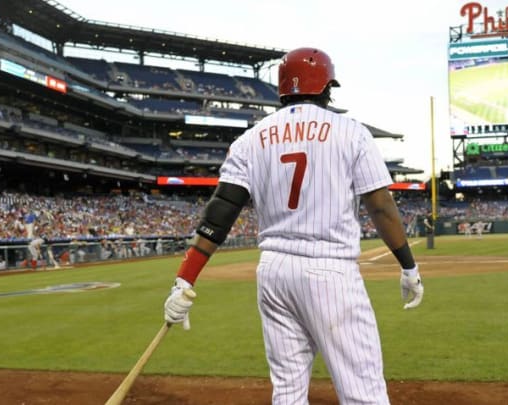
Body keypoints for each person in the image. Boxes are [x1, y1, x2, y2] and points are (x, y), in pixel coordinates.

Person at [163, 47, 424, 405]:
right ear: (327, 88)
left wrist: (185, 278)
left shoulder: (250, 139)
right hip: (329, 272)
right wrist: (408, 266)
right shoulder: (351, 132)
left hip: (274, 274)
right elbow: (380, 208)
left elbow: (220, 213)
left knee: (287, 391)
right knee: (363, 391)